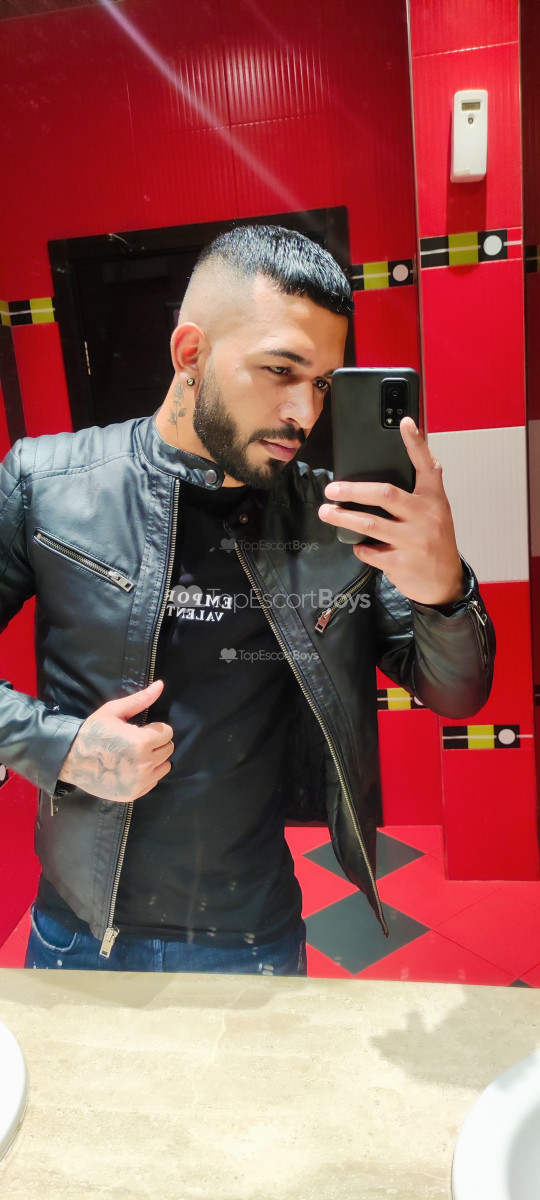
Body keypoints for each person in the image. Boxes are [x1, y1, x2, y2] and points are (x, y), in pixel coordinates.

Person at [0, 225, 495, 975]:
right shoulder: (47, 484)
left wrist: (444, 590)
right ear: (190, 353)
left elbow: (456, 694)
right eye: (281, 370)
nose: (305, 412)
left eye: (322, 382)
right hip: (78, 930)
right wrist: (57, 748)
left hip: (252, 936)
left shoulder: (337, 525)